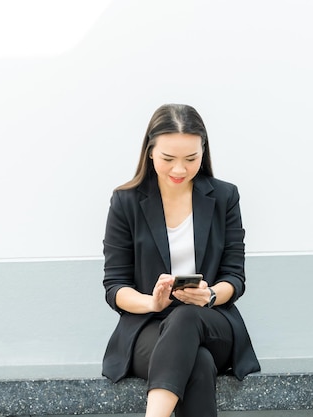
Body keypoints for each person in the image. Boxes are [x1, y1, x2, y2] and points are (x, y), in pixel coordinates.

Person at [102, 104, 260, 417]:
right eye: (168, 159)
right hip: (149, 325)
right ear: (150, 152)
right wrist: (152, 303)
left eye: (191, 159)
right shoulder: (126, 201)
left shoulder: (225, 198)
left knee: (187, 317)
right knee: (198, 363)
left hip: (211, 320)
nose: (179, 169)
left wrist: (210, 295)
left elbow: (234, 277)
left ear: (204, 151)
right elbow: (115, 286)